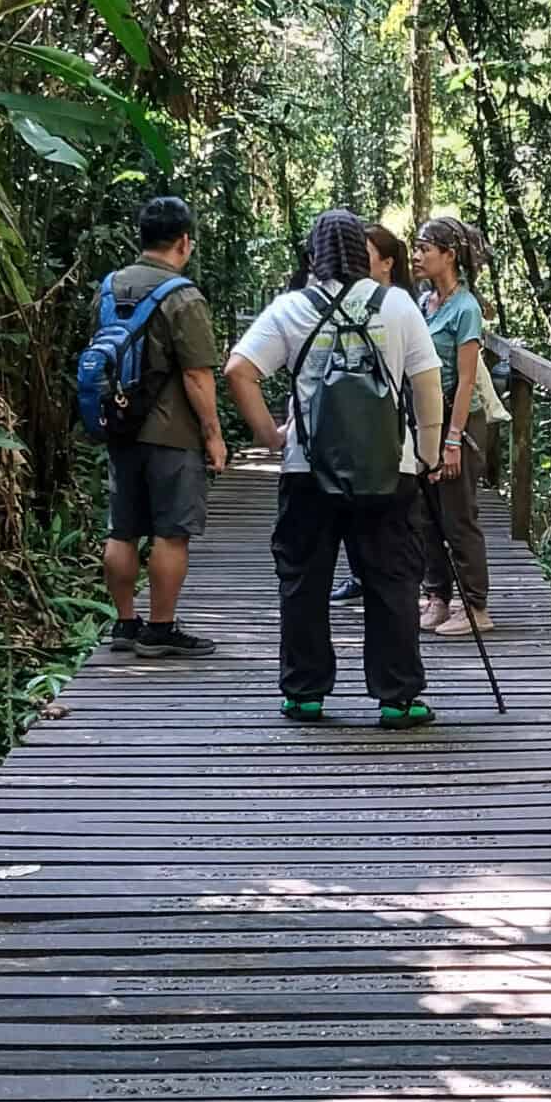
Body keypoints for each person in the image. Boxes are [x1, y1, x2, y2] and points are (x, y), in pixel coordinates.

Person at [224, 210, 445, 728]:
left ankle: (304, 693)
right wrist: (429, 453)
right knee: (392, 580)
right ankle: (398, 698)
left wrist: (272, 436)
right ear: (363, 254)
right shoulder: (397, 305)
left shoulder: (291, 308)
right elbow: (427, 384)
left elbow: (239, 370)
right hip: (390, 468)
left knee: (304, 579)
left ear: (314, 256)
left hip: (308, 469)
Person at [101, 195, 225, 657]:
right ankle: (160, 628)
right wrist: (213, 434)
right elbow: (196, 373)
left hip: (118, 425)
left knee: (123, 528)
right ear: (184, 241)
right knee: (171, 531)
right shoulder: (182, 295)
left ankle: (125, 624)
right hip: (171, 433)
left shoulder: (109, 286)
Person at [414, 215, 492, 637]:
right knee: (426, 513)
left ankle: (475, 606)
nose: (418, 255)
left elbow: (465, 379)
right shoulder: (424, 303)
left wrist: (453, 440)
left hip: (457, 419)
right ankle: (438, 597)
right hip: (426, 417)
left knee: (458, 514)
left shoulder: (466, 308)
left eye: (426, 248)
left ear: (449, 255)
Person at [335, 223, 415, 607]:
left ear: (386, 262)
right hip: (347, 431)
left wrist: (433, 442)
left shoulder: (398, 302)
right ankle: (358, 576)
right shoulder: (336, 299)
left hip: (390, 432)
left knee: (392, 529)